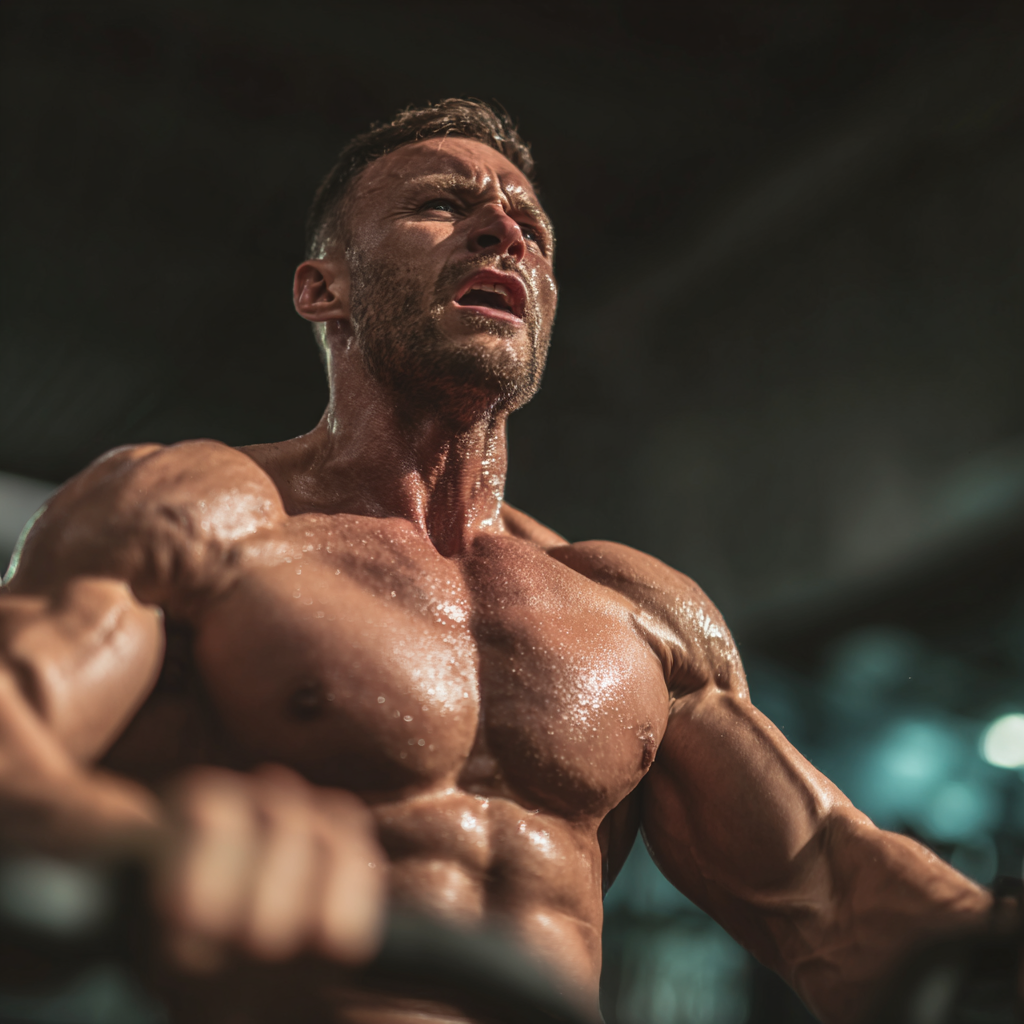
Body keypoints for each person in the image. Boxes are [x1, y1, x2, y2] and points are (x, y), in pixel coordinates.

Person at [0, 99, 992, 1024]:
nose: (504, 232)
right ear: (321, 287)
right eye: (441, 203)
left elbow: (828, 888)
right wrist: (128, 843)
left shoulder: (635, 608)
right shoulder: (203, 510)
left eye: (532, 228)